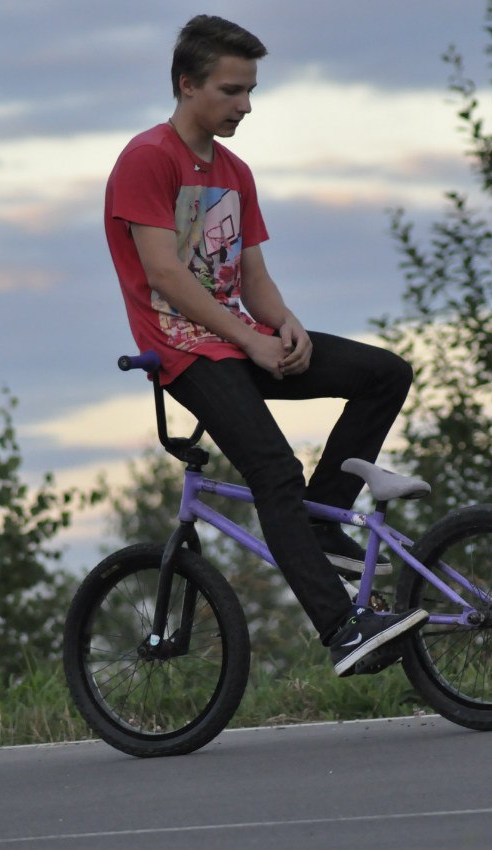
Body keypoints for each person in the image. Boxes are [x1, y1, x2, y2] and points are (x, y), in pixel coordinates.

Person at [103, 14, 425, 676]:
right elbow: (165, 273)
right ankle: (342, 628)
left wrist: (285, 324)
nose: (245, 105)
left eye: (250, 90)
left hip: (241, 339)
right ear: (187, 84)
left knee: (385, 373)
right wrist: (251, 339)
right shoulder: (148, 158)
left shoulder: (235, 172)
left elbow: (250, 277)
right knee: (275, 471)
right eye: (231, 90)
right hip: (186, 352)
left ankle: (324, 520)